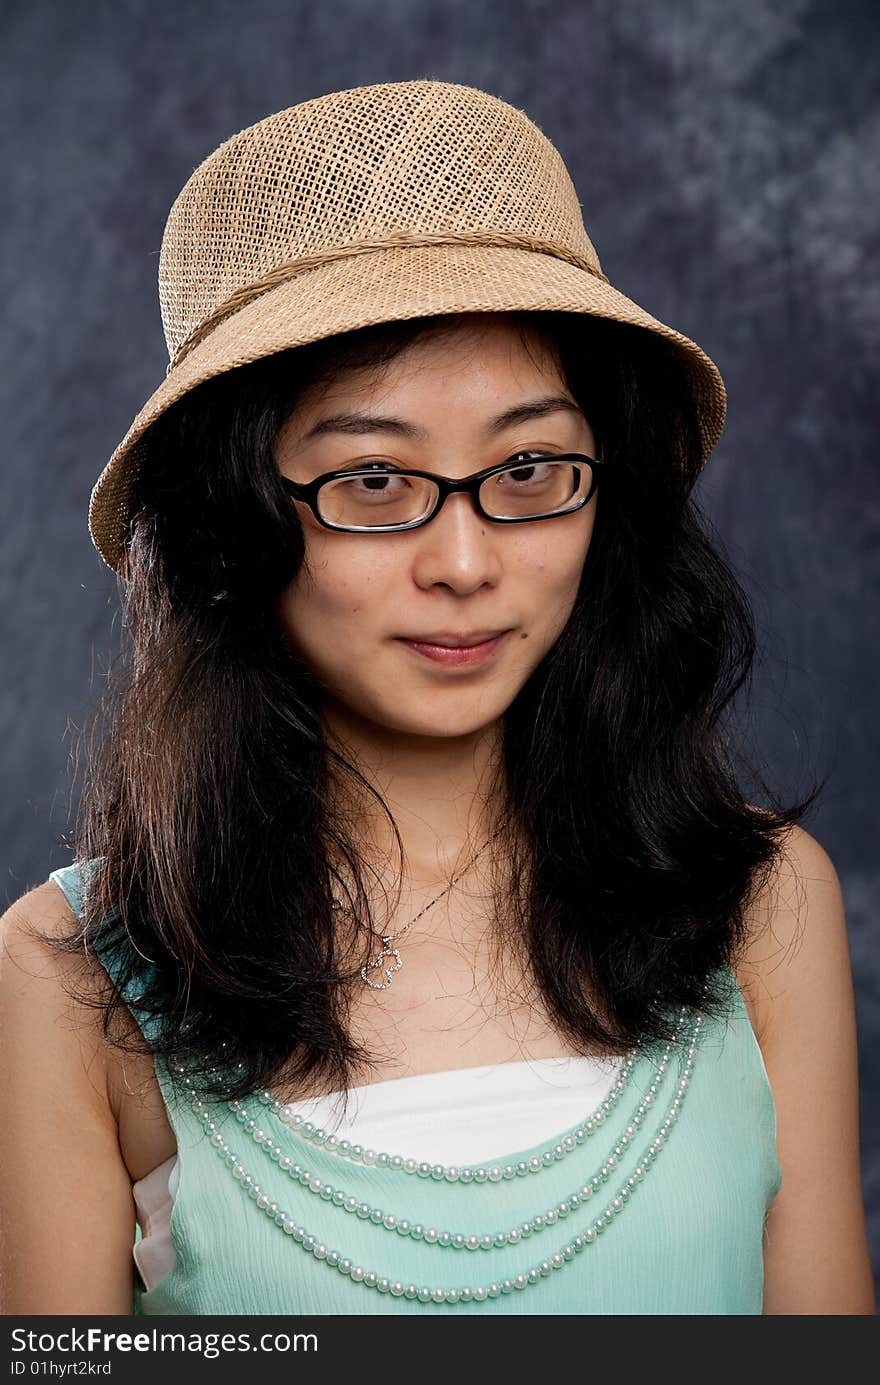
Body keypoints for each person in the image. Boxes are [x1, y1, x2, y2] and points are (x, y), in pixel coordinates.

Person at [0, 80, 874, 1317]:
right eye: (371, 477)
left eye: (527, 468)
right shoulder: (64, 966)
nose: (465, 564)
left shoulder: (763, 900)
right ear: (227, 526)